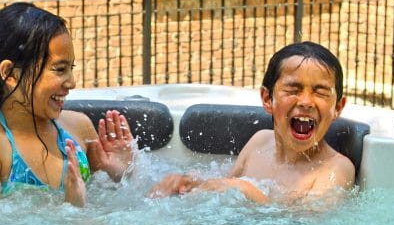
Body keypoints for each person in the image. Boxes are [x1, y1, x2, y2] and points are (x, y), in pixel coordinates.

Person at [0, 2, 134, 206]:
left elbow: (112, 207)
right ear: (10, 74)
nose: (72, 82)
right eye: (59, 69)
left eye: (71, 68)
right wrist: (70, 211)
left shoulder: (79, 127)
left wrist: (120, 175)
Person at [148, 41, 355, 206]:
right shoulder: (260, 142)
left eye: (320, 92)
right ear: (267, 99)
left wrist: (247, 191)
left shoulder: (335, 169)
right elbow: (225, 186)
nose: (306, 102)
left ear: (338, 107)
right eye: (293, 90)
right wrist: (191, 184)